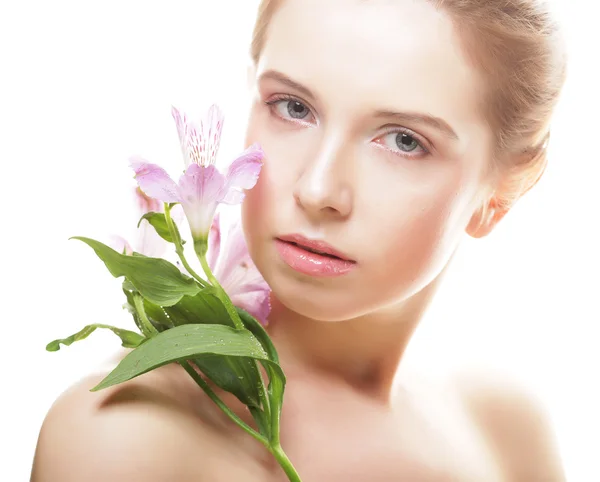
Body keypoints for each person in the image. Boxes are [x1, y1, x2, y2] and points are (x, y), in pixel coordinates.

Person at [31, 0, 568, 480]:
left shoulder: (506, 432)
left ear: (501, 192)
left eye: (404, 141)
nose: (317, 189)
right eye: (293, 107)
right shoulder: (125, 440)